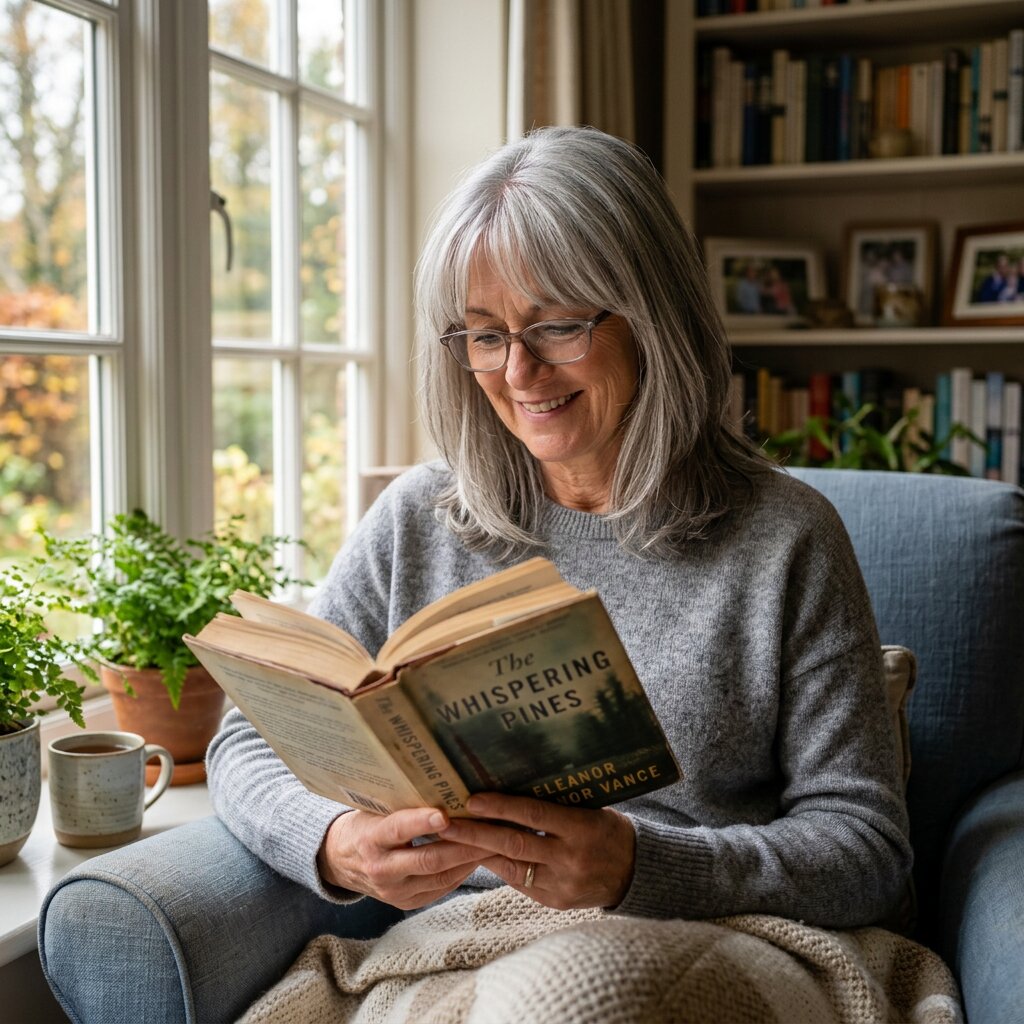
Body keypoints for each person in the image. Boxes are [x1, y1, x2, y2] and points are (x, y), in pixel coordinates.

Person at [208, 127, 910, 940]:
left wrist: (638, 867)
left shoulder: (785, 537)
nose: (517, 373)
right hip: (459, 948)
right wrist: (333, 845)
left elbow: (869, 853)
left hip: (707, 939)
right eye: (485, 333)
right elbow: (246, 744)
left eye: (557, 326)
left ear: (655, 319)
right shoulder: (420, 517)